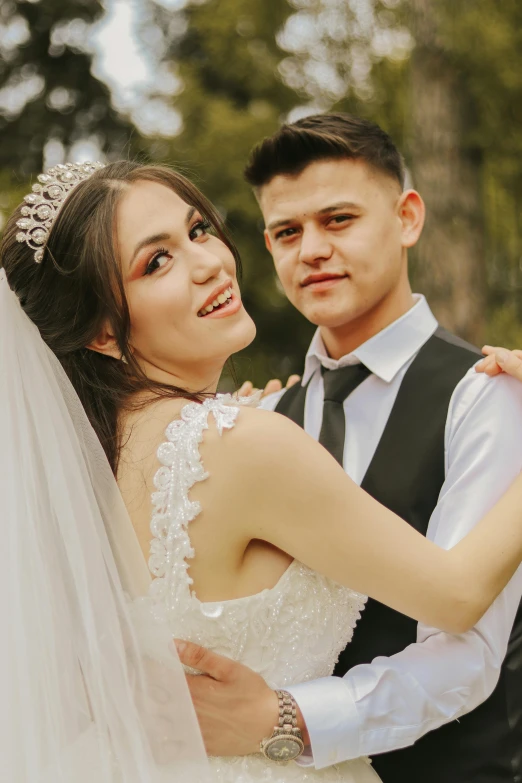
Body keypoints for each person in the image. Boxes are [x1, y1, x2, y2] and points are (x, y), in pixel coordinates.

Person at [2, 159, 522, 783]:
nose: (209, 263)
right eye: (156, 262)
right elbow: (460, 595)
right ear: (99, 334)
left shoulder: (79, 470)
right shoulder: (244, 443)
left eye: (197, 230)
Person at [176, 114, 522, 783]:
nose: (311, 249)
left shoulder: (486, 397)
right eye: (286, 231)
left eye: (338, 220)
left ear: (408, 219)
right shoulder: (265, 416)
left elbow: (466, 654)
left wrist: (283, 719)